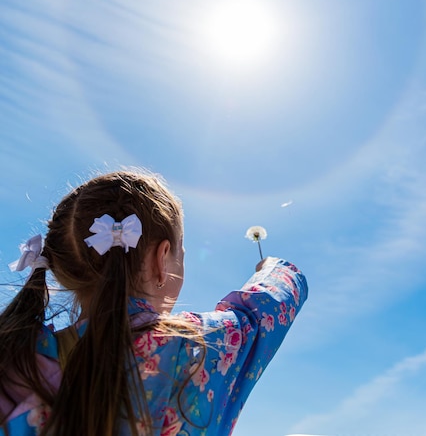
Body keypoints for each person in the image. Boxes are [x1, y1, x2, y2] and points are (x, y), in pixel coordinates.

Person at [0, 170, 308, 435]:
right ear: (162, 260)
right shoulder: (193, 347)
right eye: (180, 255)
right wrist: (274, 270)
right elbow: (260, 315)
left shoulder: (16, 360)